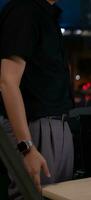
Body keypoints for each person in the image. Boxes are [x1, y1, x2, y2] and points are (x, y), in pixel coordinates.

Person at [0, 0, 74, 199]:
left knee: (57, 195)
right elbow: (7, 81)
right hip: (35, 126)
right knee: (34, 194)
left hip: (55, 124)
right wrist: (27, 147)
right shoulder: (24, 10)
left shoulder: (46, 14)